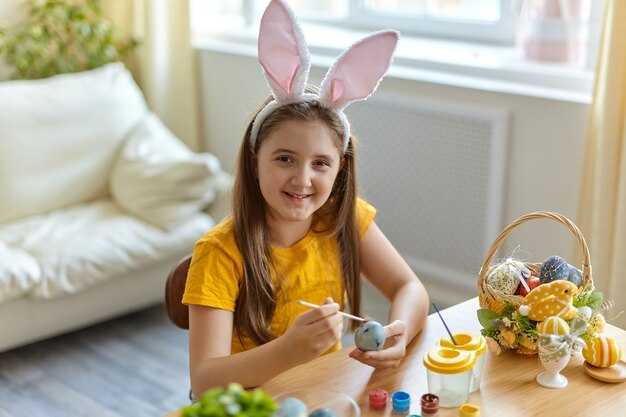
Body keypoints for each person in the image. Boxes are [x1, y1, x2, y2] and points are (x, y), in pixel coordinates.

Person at [182, 0, 429, 396]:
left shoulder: (344, 221)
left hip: (323, 393)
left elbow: (410, 289)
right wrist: (289, 351)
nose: (302, 179)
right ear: (254, 160)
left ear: (340, 169)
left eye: (320, 163)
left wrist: (399, 332)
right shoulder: (219, 253)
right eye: (284, 159)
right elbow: (204, 379)